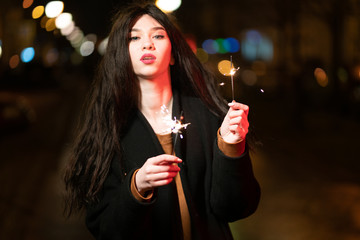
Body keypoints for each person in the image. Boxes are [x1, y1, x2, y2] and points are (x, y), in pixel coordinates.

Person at [64, 2, 260, 240]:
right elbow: (106, 229)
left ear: (174, 54)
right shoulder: (110, 128)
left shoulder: (206, 116)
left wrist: (231, 148)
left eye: (158, 35)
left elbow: (236, 208)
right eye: (133, 38)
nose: (147, 43)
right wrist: (136, 187)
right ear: (121, 55)